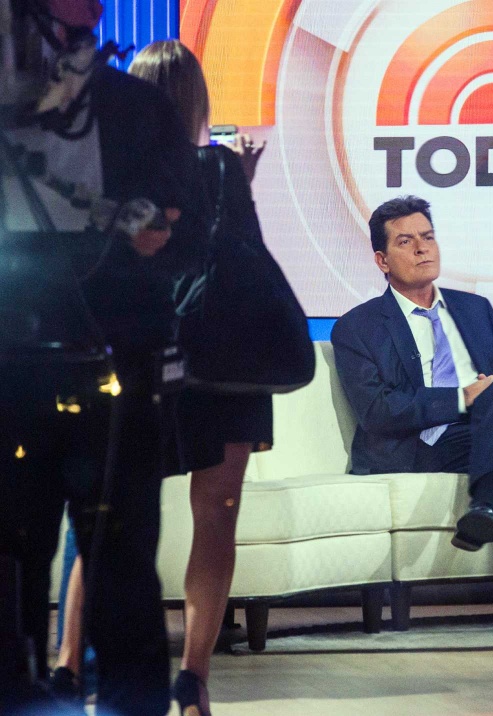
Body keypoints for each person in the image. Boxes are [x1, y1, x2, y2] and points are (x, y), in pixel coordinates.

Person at [52, 39, 273, 716]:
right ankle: (194, 679)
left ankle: (66, 661)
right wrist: (241, 183)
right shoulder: (218, 168)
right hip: (227, 363)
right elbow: (246, 265)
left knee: (110, 517)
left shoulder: (109, 174)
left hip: (147, 353)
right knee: (217, 518)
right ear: (199, 99)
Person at [0, 1, 206, 714]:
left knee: (121, 573)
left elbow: (191, 237)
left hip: (118, 371)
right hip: (10, 369)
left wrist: (156, 234)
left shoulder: (139, 110)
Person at [331, 195, 493, 632]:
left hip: (479, 437)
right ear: (381, 259)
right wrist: (463, 398)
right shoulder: (357, 326)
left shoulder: (476, 310)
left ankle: (486, 506)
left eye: (428, 237)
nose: (422, 249)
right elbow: (378, 412)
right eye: (406, 241)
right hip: (415, 446)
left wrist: (491, 403)